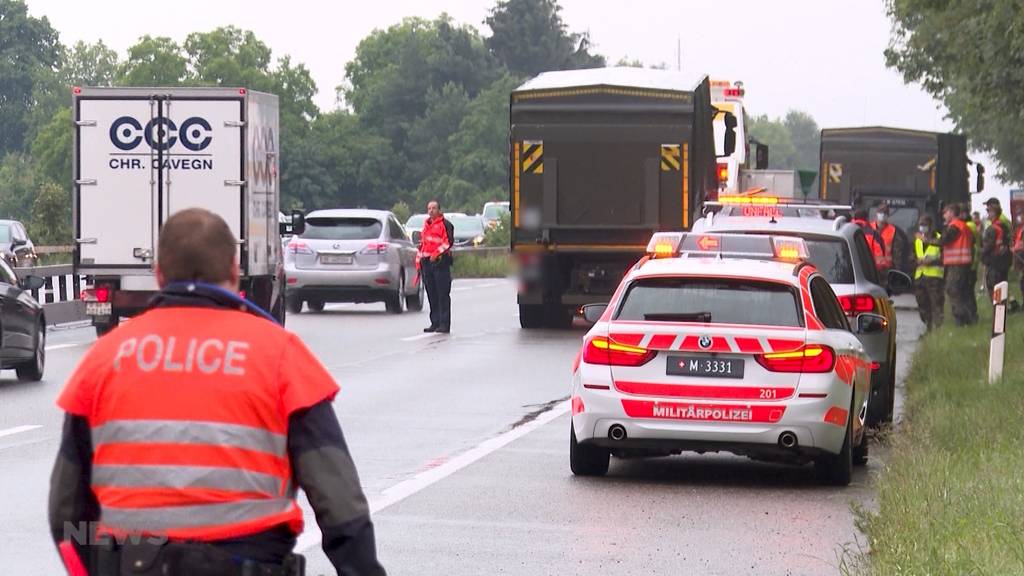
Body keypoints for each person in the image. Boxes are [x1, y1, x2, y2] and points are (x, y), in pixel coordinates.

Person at [48, 209, 385, 576]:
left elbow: (66, 508)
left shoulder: (103, 359)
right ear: (235, 270)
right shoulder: (279, 355)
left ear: (159, 274)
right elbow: (338, 499)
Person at [928, 204, 975, 326]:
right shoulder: (964, 226)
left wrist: (926, 240)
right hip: (963, 264)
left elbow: (943, 241)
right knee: (963, 292)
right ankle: (969, 320)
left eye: (945, 212)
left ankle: (962, 320)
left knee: (953, 290)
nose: (943, 215)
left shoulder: (954, 226)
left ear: (951, 212)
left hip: (957, 265)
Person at [419, 200, 455, 333]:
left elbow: (448, 243)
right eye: (429, 208)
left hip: (440, 263)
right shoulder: (426, 225)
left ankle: (444, 324)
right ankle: (435, 322)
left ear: (439, 210)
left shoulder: (445, 224)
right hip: (427, 263)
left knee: (442, 294)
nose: (431, 211)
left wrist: (436, 254)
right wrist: (419, 260)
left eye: (434, 208)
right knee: (432, 294)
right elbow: (424, 244)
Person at [913, 215, 944, 331]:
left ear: (930, 226)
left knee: (936, 303)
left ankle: (936, 329)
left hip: (934, 277)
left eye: (924, 225)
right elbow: (911, 255)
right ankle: (928, 324)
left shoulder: (939, 238)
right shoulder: (917, 240)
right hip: (920, 276)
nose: (922, 227)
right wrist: (916, 261)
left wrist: (933, 261)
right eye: (920, 225)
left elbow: (944, 257)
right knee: (922, 303)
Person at [981, 197, 1012, 294]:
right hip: (1004, 258)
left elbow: (988, 246)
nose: (987, 213)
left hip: (995, 260)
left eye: (988, 210)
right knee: (1001, 288)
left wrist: (982, 254)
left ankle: (999, 308)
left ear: (994, 212)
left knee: (996, 289)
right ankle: (1003, 306)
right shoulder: (1003, 223)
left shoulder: (995, 226)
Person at [870, 203, 910, 278]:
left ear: (888, 215)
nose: (883, 215)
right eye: (881, 212)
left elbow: (898, 254)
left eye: (885, 213)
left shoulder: (894, 230)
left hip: (887, 270)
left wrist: (898, 272)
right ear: (877, 213)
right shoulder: (868, 229)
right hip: (871, 269)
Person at [852, 208, 887, 273]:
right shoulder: (873, 234)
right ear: (867, 218)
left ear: (854, 218)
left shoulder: (846, 231)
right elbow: (879, 260)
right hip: (867, 272)